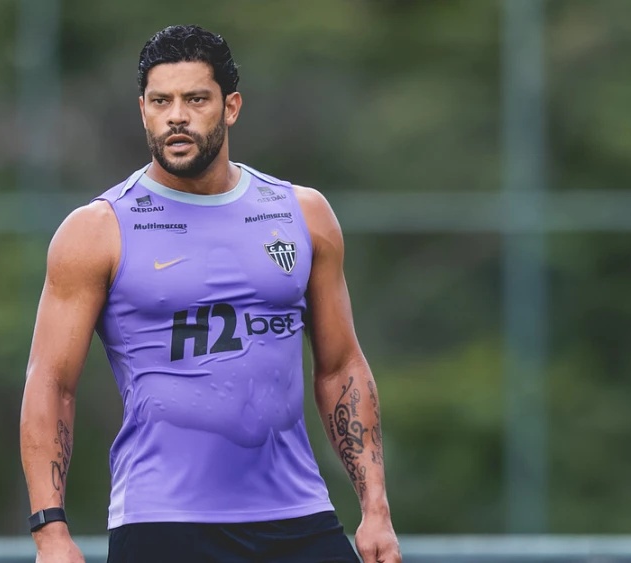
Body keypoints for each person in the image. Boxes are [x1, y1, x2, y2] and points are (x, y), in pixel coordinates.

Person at [20, 24, 402, 563]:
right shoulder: (97, 230)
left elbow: (341, 368)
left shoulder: (303, 214)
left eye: (196, 99)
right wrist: (50, 531)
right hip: (164, 523)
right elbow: (50, 384)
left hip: (298, 517)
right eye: (161, 101)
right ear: (143, 111)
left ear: (231, 107)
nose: (177, 116)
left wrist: (376, 508)